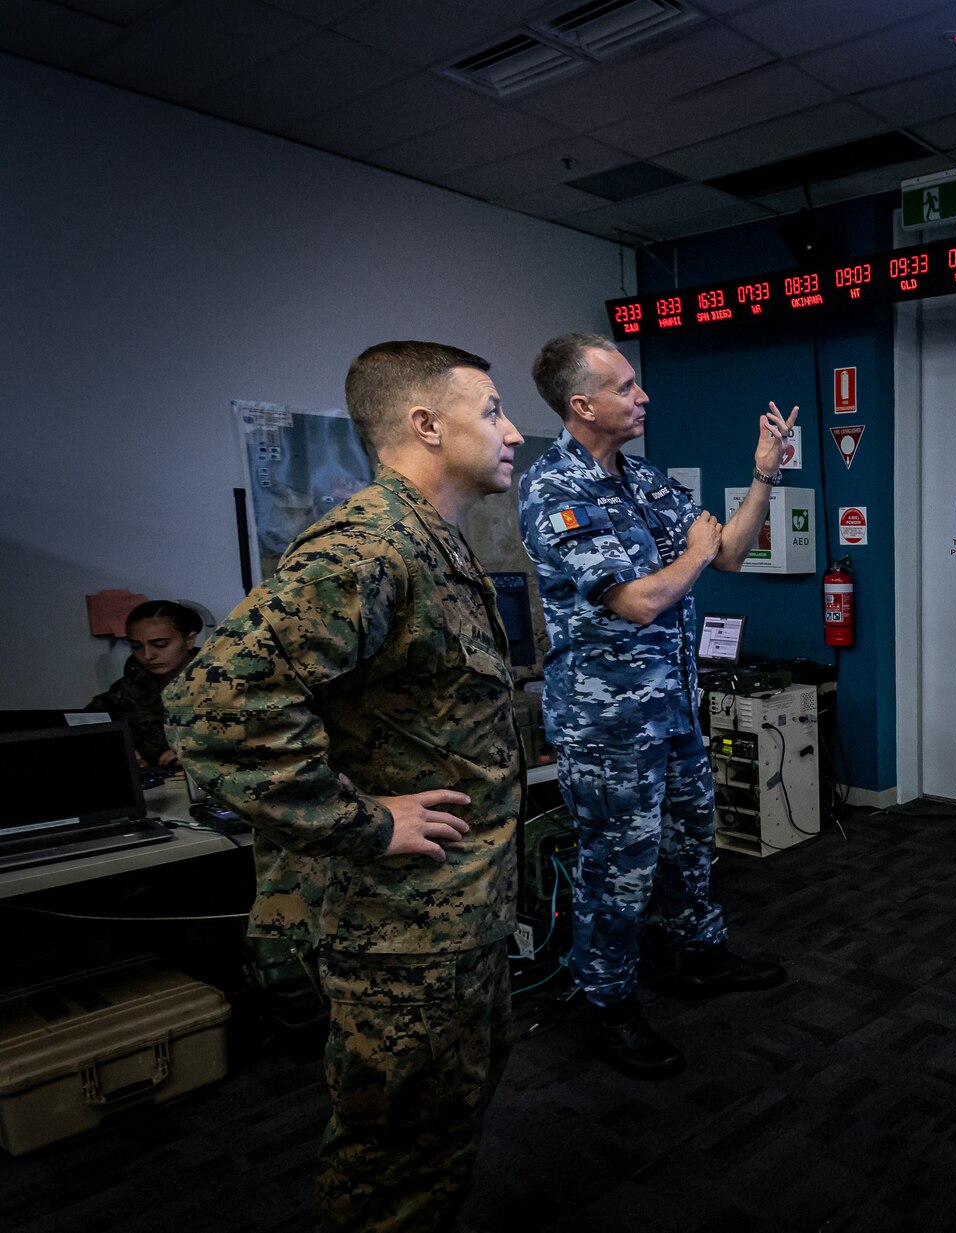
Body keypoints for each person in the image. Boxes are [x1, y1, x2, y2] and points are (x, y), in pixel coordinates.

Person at [165, 341, 525, 1233]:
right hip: (399, 925)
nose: (514, 430)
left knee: (439, 1132)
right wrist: (360, 821)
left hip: (451, 913)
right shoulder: (372, 544)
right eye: (491, 411)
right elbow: (214, 706)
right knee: (394, 1163)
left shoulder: (432, 541)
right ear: (426, 424)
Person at [519, 332, 795, 1079]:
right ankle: (608, 1002)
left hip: (670, 707)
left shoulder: (641, 481)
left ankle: (695, 956)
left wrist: (763, 476)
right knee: (619, 867)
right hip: (607, 725)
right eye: (625, 387)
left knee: (689, 841)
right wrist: (697, 551)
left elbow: (729, 552)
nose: (642, 397)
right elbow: (640, 600)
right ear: (582, 404)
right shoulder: (555, 488)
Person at [86, 598, 202, 769]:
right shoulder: (130, 689)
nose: (148, 655)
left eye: (160, 645)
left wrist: (198, 754)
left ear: (189, 640)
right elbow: (84, 723)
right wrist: (117, 750)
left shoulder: (225, 682)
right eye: (136, 646)